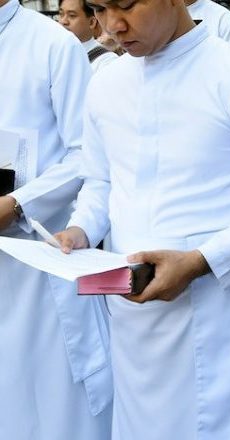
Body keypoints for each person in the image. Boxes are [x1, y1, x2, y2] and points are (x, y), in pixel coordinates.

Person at [55, 0, 230, 437]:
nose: (113, 25)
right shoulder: (106, 83)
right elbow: (101, 181)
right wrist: (80, 229)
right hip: (130, 316)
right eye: (100, 8)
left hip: (216, 314)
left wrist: (200, 261)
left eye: (127, 5)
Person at [0, 0, 113, 439]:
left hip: (36, 254)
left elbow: (86, 153)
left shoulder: (52, 45)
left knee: (47, 399)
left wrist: (19, 203)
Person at [58, 0, 118, 71]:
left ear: (92, 22)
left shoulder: (106, 61)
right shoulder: (55, 54)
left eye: (72, 15)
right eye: (61, 14)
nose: (63, 21)